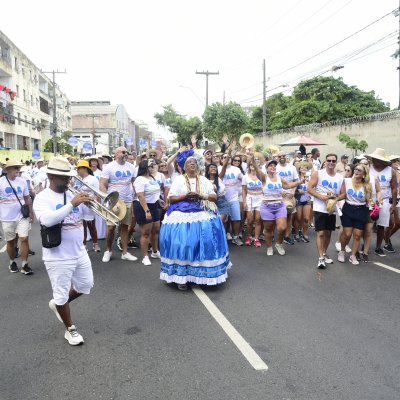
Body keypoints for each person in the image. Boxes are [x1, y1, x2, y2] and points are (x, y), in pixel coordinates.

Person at [33, 156, 93, 345]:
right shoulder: (43, 197)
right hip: (57, 255)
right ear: (51, 176)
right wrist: (72, 204)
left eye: (68, 177)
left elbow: (85, 217)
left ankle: (59, 304)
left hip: (79, 250)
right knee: (60, 293)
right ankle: (70, 329)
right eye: (63, 178)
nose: (68, 181)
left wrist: (88, 206)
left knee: (85, 285)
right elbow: (47, 220)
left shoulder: (72, 193)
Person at [160, 150, 231, 291]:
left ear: (198, 166)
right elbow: (171, 198)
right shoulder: (179, 179)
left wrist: (200, 195)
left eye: (194, 163)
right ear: (183, 167)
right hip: (181, 211)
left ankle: (203, 275)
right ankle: (181, 277)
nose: (192, 165)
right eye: (189, 163)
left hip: (202, 209)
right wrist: (185, 196)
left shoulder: (203, 179)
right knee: (184, 244)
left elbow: (214, 197)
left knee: (205, 242)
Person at [251, 155, 303, 256]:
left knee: (282, 228)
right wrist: (252, 159)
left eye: (274, 166)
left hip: (280, 205)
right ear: (266, 168)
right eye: (270, 166)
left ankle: (279, 244)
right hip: (267, 207)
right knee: (269, 229)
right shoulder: (264, 177)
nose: (273, 167)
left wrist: (299, 182)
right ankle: (269, 246)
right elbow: (257, 169)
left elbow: (288, 185)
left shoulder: (279, 177)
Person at [100, 147, 137, 262]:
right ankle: (108, 250)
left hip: (127, 200)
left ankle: (125, 252)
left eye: (127, 152)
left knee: (125, 227)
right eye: (123, 152)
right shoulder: (109, 167)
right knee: (111, 227)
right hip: (113, 201)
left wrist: (135, 197)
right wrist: (106, 198)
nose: (126, 154)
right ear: (116, 154)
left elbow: (134, 183)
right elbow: (102, 184)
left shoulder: (131, 167)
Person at [308, 153, 344, 269]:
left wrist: (336, 199)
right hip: (319, 207)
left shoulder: (339, 177)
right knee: (321, 232)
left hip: (331, 208)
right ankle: (321, 258)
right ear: (325, 161)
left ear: (336, 162)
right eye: (329, 160)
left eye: (334, 161)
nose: (331, 163)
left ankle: (323, 253)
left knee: (328, 233)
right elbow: (309, 188)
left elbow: (343, 193)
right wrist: (320, 197)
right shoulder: (318, 173)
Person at [0, 159, 34, 275]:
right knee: (10, 242)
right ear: (8, 169)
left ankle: (24, 265)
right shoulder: (1, 182)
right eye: (15, 168)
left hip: (21, 215)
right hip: (7, 218)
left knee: (24, 238)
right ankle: (12, 261)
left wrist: (31, 212)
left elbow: (27, 198)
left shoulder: (22, 181)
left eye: (18, 168)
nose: (18, 170)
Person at [337, 163, 372, 265]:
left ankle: (353, 256)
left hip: (361, 210)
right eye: (355, 169)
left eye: (359, 170)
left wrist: (373, 204)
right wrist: (335, 199)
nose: (356, 171)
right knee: (347, 233)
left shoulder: (367, 186)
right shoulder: (347, 181)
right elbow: (342, 195)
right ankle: (342, 251)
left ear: (364, 174)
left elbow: (368, 200)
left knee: (357, 235)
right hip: (348, 208)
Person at [367, 148, 397, 256]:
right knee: (368, 225)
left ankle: (378, 247)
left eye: (377, 159)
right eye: (374, 158)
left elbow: (394, 188)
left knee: (381, 225)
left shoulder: (391, 171)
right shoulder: (368, 168)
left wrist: (393, 204)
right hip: (369, 200)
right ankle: (364, 245)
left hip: (384, 201)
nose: (375, 160)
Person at [133, 159, 164, 265]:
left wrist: (159, 200)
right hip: (143, 207)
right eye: (151, 166)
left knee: (156, 230)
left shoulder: (152, 177)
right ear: (146, 167)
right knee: (145, 233)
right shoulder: (139, 180)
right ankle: (145, 256)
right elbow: (140, 196)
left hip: (154, 206)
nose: (154, 168)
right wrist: (146, 211)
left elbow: (154, 191)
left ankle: (155, 252)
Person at [75, 160, 101, 252]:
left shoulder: (93, 179)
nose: (77, 171)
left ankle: (95, 244)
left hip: (89, 204)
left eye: (79, 169)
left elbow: (97, 193)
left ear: (84, 169)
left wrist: (97, 204)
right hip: (80, 205)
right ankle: (84, 245)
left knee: (91, 225)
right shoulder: (77, 179)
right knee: (82, 226)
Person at [276, 151, 299, 245]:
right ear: (277, 157)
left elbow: (296, 180)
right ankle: (278, 236)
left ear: (286, 156)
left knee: (289, 216)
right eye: (280, 156)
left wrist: (293, 192)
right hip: (278, 196)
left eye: (283, 155)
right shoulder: (275, 167)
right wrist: (280, 192)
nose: (282, 157)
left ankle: (287, 236)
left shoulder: (292, 167)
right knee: (277, 217)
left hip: (290, 195)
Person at [242, 155, 263, 247]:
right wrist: (244, 201)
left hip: (260, 198)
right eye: (250, 164)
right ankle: (249, 237)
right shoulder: (245, 176)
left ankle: (256, 238)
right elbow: (243, 190)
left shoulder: (261, 175)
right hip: (250, 198)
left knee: (258, 220)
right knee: (250, 220)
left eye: (254, 164)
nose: (252, 165)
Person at [294, 161, 313, 242]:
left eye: (305, 167)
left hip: (307, 199)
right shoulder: (296, 178)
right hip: (298, 199)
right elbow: (291, 188)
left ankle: (305, 234)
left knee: (306, 218)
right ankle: (297, 233)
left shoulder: (310, 177)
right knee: (298, 218)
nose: (304, 168)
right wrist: (297, 190)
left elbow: (313, 187)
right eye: (302, 167)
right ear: (299, 169)